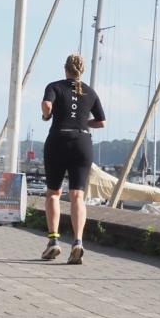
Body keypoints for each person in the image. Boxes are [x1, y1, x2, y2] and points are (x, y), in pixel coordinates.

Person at [39, 54, 106, 264]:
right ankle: (77, 241)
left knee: (53, 194)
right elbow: (102, 122)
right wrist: (85, 122)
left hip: (59, 139)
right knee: (77, 195)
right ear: (81, 71)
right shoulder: (90, 92)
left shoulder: (55, 86)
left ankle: (53, 241)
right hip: (82, 141)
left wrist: (46, 115)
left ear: (65, 68)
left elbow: (46, 105)